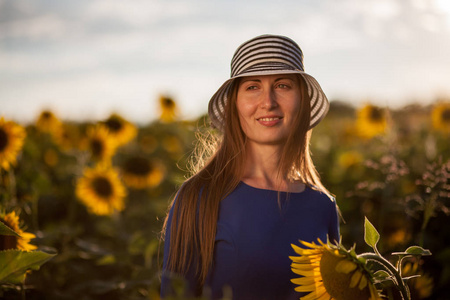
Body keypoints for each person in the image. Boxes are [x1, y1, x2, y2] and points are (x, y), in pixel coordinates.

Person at [160, 34, 340, 300]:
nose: (268, 102)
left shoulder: (323, 205)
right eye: (253, 87)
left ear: (302, 101)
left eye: (283, 85)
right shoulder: (198, 197)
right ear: (235, 104)